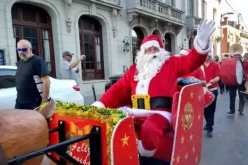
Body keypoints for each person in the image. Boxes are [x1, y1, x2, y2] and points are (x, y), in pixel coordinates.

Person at [91, 20, 216, 165]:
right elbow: (117, 90)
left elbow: (191, 61)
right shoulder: (134, 70)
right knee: (116, 124)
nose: (152, 53)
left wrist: (201, 43)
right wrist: (100, 104)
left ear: (161, 51)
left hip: (160, 112)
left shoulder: (171, 64)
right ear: (142, 53)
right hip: (135, 110)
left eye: (155, 49)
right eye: (148, 50)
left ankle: (144, 158)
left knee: (150, 129)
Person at [15, 39, 51, 110]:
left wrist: (44, 101)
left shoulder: (37, 61)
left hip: (35, 102)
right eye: (19, 49)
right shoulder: (20, 62)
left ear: (30, 49)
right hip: (20, 102)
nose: (21, 52)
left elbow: (46, 81)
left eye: (24, 49)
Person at [202, 55, 220, 137]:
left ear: (210, 56)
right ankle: (208, 122)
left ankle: (210, 128)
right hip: (202, 90)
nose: (205, 57)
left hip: (212, 90)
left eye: (207, 56)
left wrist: (213, 80)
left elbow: (218, 77)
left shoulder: (215, 65)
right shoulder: (200, 65)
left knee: (211, 110)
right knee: (204, 109)